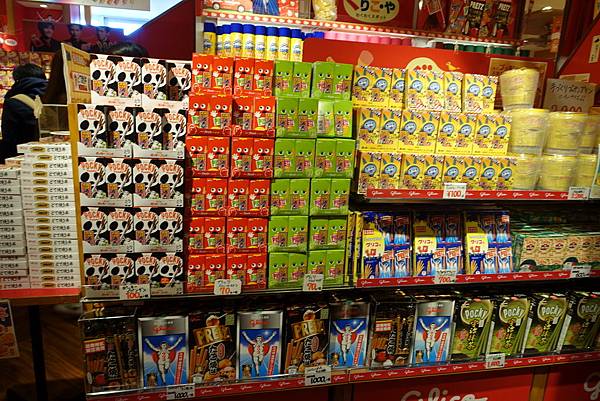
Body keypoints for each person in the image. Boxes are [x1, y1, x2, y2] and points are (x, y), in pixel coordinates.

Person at [0, 64, 48, 162]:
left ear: (17, 80)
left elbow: (10, 140)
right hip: (58, 154)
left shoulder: (14, 102)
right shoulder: (55, 94)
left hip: (27, 159)